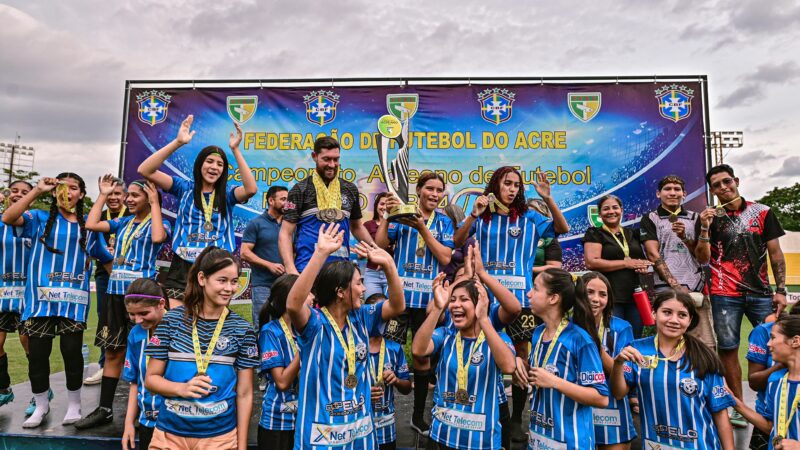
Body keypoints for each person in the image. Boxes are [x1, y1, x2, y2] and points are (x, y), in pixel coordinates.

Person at [452, 167, 569, 441]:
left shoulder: (529, 216)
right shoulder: (483, 216)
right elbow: (457, 241)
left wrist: (548, 198)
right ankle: (484, 406)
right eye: (507, 183)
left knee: (520, 356)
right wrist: (473, 214)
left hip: (520, 299)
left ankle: (516, 418)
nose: (512, 189)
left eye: (516, 185)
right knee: (480, 350)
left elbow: (562, 228)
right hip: (485, 296)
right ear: (496, 185)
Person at [2, 173, 113, 428]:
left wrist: (125, 291)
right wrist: (37, 190)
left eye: (74, 188)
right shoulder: (38, 218)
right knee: (38, 355)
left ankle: (74, 405)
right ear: (54, 192)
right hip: (39, 301)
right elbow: (8, 217)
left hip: (73, 302)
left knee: (71, 353)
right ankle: (41, 405)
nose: (68, 192)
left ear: (81, 194)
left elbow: (105, 258)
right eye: (63, 188)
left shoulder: (89, 225)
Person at [286, 224, 405, 450]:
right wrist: (320, 254)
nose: (364, 289)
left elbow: (398, 305)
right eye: (359, 283)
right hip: (321, 438)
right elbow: (293, 304)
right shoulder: (315, 322)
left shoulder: (362, 317)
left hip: (360, 435)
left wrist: (389, 264)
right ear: (340, 292)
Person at [695, 164, 787, 428]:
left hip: (761, 292)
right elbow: (702, 258)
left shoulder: (763, 211)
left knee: (777, 343)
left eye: (727, 181)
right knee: (728, 348)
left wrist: (781, 290)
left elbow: (775, 253)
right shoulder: (709, 218)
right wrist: (704, 228)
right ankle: (738, 406)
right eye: (717, 185)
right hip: (724, 293)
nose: (724, 188)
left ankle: (774, 401)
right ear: (712, 191)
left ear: (736, 180)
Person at [75, 175, 170, 429]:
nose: (128, 199)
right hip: (116, 295)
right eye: (128, 195)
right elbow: (92, 224)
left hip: (143, 297)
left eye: (135, 196)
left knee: (147, 352)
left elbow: (158, 238)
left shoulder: (159, 222)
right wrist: (103, 195)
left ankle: (147, 408)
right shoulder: (123, 222)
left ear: (149, 199)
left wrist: (155, 203)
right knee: (113, 351)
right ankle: (105, 409)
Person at [145, 246, 259, 450]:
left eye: (234, 281)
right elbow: (151, 380)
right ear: (202, 278)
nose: (229, 288)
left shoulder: (242, 329)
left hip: (219, 438)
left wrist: (241, 446)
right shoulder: (171, 321)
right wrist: (181, 389)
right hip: (169, 435)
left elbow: (245, 393)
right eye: (222, 280)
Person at [138, 115, 258, 307]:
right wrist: (178, 142)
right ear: (200, 164)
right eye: (209, 161)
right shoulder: (183, 187)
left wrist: (235, 150)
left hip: (217, 263)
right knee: (177, 319)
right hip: (183, 261)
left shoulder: (227, 194)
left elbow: (251, 189)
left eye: (220, 164)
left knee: (210, 319)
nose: (214, 167)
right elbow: (145, 170)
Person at [374, 172, 455, 435]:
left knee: (422, 357)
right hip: (400, 301)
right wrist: (387, 217)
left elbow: (445, 257)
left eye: (439, 190)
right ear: (418, 190)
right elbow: (380, 246)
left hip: (427, 302)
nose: (434, 194)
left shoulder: (444, 222)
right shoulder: (402, 213)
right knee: (388, 353)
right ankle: (380, 413)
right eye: (430, 188)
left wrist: (422, 228)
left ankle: (418, 417)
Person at [610, 290, 736, 450]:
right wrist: (618, 363)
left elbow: (720, 413)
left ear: (690, 320)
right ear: (654, 313)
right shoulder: (637, 349)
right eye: (667, 312)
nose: (674, 320)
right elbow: (619, 392)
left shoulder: (704, 357)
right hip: (656, 446)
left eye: (682, 315)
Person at [412, 273, 517, 450]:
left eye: (464, 299)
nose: (455, 305)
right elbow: (418, 350)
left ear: (480, 304)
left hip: (481, 442)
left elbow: (509, 366)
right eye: (452, 300)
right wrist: (438, 308)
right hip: (441, 436)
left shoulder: (497, 339)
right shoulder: (446, 335)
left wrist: (483, 319)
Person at [513, 268, 609, 449]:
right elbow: (542, 373)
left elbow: (601, 397)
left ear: (553, 298)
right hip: (539, 439)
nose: (529, 293)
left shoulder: (580, 340)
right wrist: (520, 364)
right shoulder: (538, 332)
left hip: (570, 442)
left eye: (536, 288)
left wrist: (555, 382)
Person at [279, 136, 376, 275]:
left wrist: (375, 250)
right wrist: (290, 270)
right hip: (307, 270)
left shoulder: (350, 189)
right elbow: (285, 233)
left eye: (336, 159)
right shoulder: (300, 190)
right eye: (326, 159)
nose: (332, 164)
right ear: (314, 156)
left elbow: (356, 227)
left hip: (341, 272)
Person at [640, 175, 716, 350]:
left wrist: (689, 236)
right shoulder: (650, 218)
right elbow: (652, 254)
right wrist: (676, 286)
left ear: (684, 194)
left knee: (704, 346)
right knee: (669, 344)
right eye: (667, 189)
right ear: (658, 194)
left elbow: (703, 258)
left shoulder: (696, 218)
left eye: (677, 189)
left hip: (695, 289)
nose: (673, 193)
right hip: (666, 290)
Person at [583, 194, 652, 339]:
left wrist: (644, 267)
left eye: (615, 207)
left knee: (634, 338)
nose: (611, 211)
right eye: (606, 209)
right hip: (611, 297)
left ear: (621, 210)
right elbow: (591, 262)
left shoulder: (632, 233)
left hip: (636, 295)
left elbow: (644, 260)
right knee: (611, 339)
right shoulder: (595, 233)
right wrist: (626, 263)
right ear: (599, 214)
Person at [85, 176, 130, 385]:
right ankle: (105, 365)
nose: (113, 197)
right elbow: (90, 241)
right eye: (109, 194)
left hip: (130, 274)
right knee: (106, 318)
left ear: (125, 196)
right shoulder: (99, 216)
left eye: (117, 193)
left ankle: (131, 365)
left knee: (132, 319)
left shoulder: (132, 215)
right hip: (105, 274)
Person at [584, 271, 636, 449]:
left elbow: (621, 386)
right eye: (589, 292)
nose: (595, 299)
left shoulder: (621, 328)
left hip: (612, 414)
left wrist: (594, 344)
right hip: (577, 414)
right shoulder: (566, 327)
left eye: (602, 294)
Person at [731, 314, 800, 449]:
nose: (768, 344)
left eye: (773, 338)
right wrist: (735, 402)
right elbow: (770, 427)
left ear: (795, 341)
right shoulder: (775, 380)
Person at [256, 273, 308, 450]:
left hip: (304, 420)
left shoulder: (306, 329)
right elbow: (282, 382)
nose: (312, 298)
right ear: (292, 299)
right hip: (278, 422)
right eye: (306, 293)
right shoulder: (271, 332)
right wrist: (305, 348)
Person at [120, 278, 168, 450]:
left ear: (161, 304)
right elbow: (135, 383)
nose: (137, 320)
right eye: (132, 314)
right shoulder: (135, 334)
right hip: (146, 422)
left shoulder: (179, 330)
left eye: (144, 313)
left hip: (176, 424)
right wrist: (128, 424)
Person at [364, 292, 412, 450]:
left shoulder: (394, 347)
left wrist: (396, 380)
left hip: (386, 430)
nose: (384, 319)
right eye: (380, 315)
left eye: (388, 315)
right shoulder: (353, 346)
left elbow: (407, 388)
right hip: (359, 428)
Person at [0, 181, 33, 408]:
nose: (18, 195)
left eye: (25, 192)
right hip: (2, 292)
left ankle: (41, 393)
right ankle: (3, 388)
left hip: (28, 293)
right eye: (14, 191)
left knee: (27, 341)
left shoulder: (37, 222)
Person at [241, 185, 287, 325]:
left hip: (285, 285)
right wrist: (269, 265)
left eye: (289, 200)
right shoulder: (256, 223)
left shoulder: (290, 225)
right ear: (271, 201)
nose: (287, 203)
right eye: (283, 199)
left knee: (285, 326)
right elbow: (244, 252)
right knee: (263, 325)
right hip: (262, 285)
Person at [363, 192, 391, 298]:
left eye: (388, 205)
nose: (385, 207)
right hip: (372, 273)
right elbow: (361, 252)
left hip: (391, 272)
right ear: (376, 206)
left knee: (392, 306)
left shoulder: (397, 224)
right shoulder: (367, 225)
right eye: (382, 204)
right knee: (371, 305)